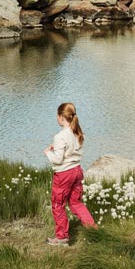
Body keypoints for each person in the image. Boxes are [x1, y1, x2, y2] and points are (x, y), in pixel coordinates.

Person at [43, 101, 96, 246]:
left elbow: (58, 160)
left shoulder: (60, 136)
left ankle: (61, 238)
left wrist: (47, 152)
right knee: (76, 203)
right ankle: (93, 230)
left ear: (61, 117)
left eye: (57, 115)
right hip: (77, 171)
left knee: (58, 204)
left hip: (64, 174)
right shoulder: (77, 133)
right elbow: (71, 150)